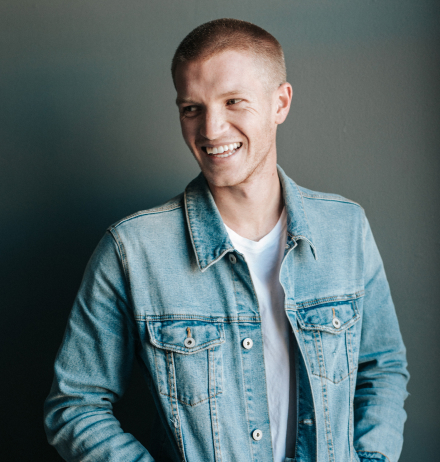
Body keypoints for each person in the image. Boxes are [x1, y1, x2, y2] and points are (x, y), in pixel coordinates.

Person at [44, 18, 409, 462]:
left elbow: (382, 369)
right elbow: (75, 406)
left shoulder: (345, 228)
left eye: (233, 101)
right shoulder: (132, 251)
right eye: (191, 108)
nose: (211, 130)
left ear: (280, 103)